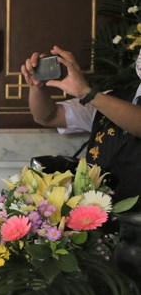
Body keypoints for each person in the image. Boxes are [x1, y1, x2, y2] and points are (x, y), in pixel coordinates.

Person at [21, 46, 141, 206]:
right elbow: (48, 116)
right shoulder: (108, 99)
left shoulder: (96, 98)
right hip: (100, 218)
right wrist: (37, 87)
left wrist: (86, 92)